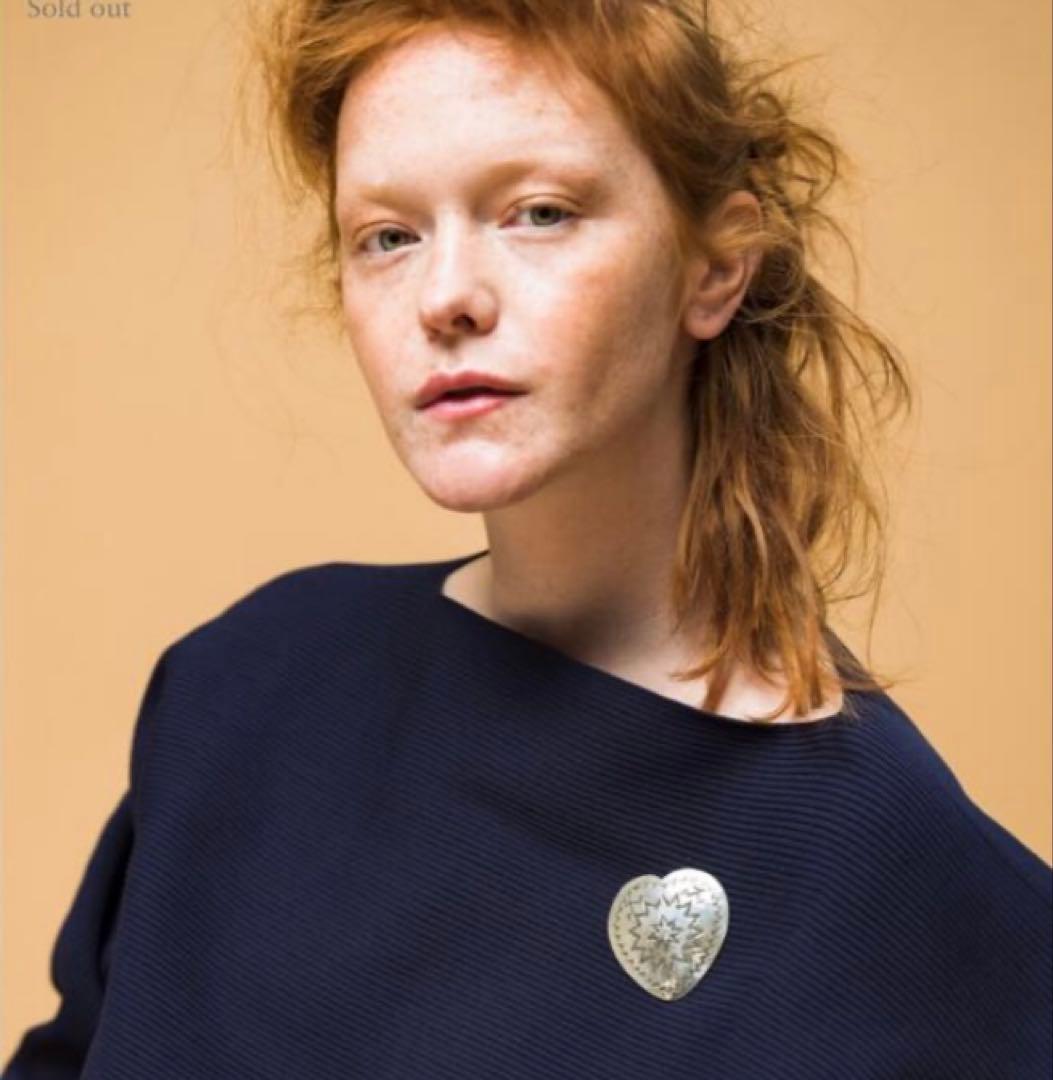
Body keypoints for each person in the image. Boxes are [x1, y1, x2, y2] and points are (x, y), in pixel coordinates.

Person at [5, 1, 1050, 1077]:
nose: (445, 297)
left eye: (539, 213)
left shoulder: (895, 873)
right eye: (388, 236)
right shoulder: (247, 679)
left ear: (715, 267)